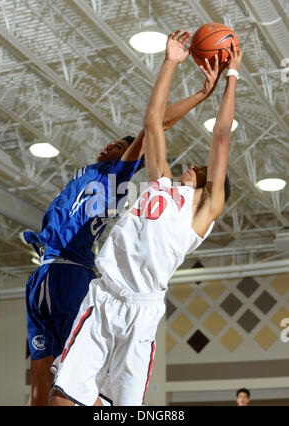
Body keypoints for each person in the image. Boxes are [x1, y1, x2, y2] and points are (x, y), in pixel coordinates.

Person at [48, 30, 242, 406]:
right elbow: (153, 121)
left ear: (211, 185)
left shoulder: (204, 210)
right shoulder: (161, 183)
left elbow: (221, 136)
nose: (191, 166)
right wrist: (170, 62)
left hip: (142, 312)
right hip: (103, 298)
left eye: (199, 169)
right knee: (61, 400)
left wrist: (231, 77)